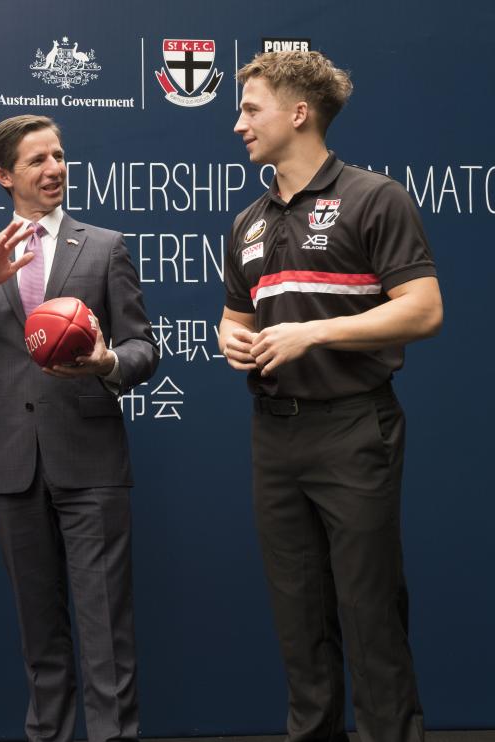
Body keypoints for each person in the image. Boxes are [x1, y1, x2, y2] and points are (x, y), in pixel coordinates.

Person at [220, 51, 442, 742]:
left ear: (298, 112)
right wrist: (232, 339)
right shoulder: (248, 222)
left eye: (250, 109)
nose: (237, 125)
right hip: (274, 435)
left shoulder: (375, 197)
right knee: (299, 619)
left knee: (370, 611)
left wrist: (314, 335)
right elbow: (238, 317)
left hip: (353, 428)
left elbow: (424, 309)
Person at [0, 114, 156, 742]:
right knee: (38, 633)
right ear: (4, 176)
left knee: (106, 631)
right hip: (12, 466)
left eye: (59, 156)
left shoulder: (104, 247)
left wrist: (107, 361)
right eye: (37, 161)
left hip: (92, 461)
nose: (54, 169)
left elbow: (143, 349)